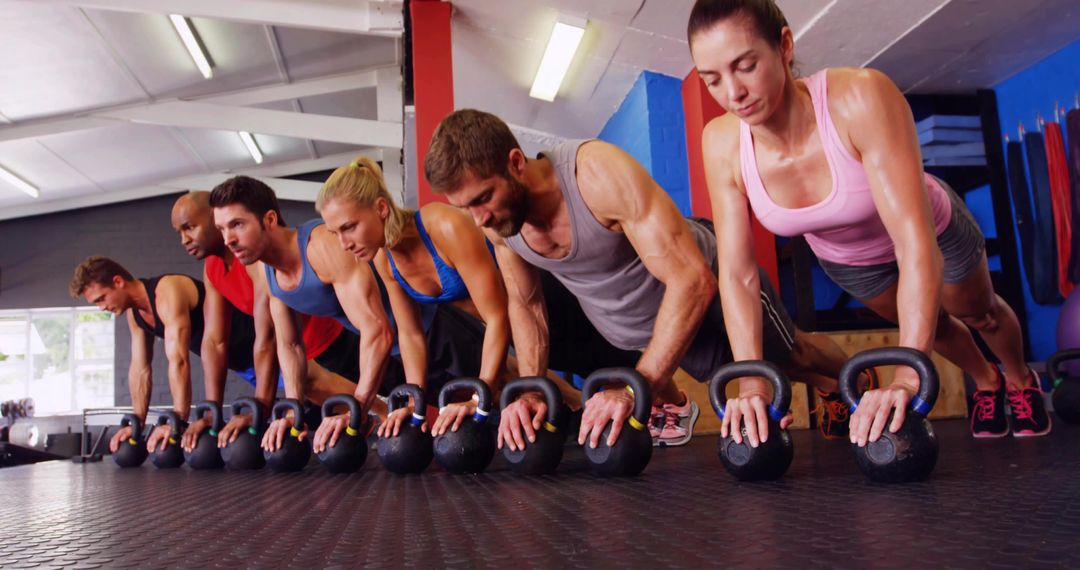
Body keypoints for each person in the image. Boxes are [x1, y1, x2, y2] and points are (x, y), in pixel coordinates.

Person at [687, 0, 1049, 443]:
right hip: (851, 261)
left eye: (745, 66)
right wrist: (752, 381)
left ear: (783, 46)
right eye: (712, 80)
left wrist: (907, 376)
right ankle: (988, 384)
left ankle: (1019, 380)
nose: (732, 93)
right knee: (933, 326)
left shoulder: (859, 97)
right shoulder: (722, 142)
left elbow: (915, 243)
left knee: (979, 313)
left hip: (932, 229)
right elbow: (739, 275)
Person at [424, 109, 859, 450]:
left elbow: (692, 279)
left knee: (793, 356)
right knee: (739, 378)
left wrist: (636, 388)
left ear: (515, 163)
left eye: (483, 198)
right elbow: (527, 304)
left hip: (712, 287)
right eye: (466, 207)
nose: (478, 217)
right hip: (658, 327)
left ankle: (855, 382)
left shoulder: (593, 175)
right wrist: (532, 390)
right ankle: (828, 386)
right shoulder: (498, 224)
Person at [315, 156, 642, 441]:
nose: (343, 243)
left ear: (381, 209)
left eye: (349, 227)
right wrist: (415, 400)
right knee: (562, 391)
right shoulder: (384, 260)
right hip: (512, 327)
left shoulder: (442, 226)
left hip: (543, 305)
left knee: (616, 370)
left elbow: (499, 312)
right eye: (336, 233)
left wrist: (480, 393)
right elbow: (412, 334)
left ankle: (672, 408)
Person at [208, 176, 484, 456]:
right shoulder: (268, 274)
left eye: (237, 225)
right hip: (401, 352)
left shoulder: (320, 247)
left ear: (268, 219)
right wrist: (294, 415)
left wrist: (358, 408)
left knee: (498, 393)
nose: (228, 239)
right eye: (221, 228)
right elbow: (290, 346)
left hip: (436, 329)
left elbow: (377, 330)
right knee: (452, 411)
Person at [170, 191, 360, 452]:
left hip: (335, 347)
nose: (184, 239)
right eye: (179, 232)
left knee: (340, 403)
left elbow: (267, 336)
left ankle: (380, 407)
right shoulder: (212, 268)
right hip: (299, 360)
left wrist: (262, 406)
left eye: (189, 227)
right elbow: (214, 341)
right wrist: (212, 411)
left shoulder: (253, 261)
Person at [69, 256, 257, 455]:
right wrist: (137, 422)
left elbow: (179, 360)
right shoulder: (135, 315)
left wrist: (178, 421)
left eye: (101, 298)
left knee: (286, 421)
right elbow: (140, 369)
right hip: (242, 365)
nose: (101, 308)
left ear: (118, 282)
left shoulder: (167, 290)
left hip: (266, 353)